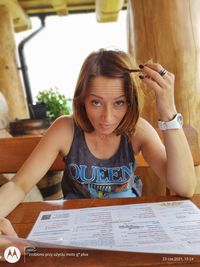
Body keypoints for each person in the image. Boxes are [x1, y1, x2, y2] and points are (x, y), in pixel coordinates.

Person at [0, 48, 196, 238]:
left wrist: (168, 112)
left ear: (130, 101)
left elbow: (185, 187)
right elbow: (19, 185)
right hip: (76, 228)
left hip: (128, 227)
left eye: (119, 102)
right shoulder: (65, 129)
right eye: (96, 102)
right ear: (82, 99)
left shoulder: (139, 130)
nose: (107, 118)